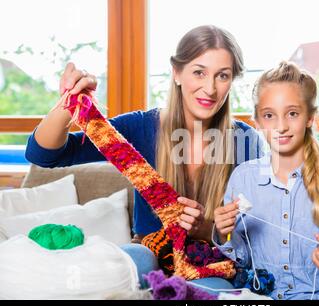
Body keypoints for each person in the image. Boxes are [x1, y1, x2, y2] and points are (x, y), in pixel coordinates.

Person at [25, 25, 263, 292]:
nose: (209, 88)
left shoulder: (246, 142)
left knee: (212, 293)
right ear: (177, 73)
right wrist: (70, 102)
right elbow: (43, 155)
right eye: (199, 72)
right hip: (148, 253)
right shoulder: (141, 127)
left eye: (222, 76)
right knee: (130, 262)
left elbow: (257, 235)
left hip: (208, 263)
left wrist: (207, 229)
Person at [213, 61, 319, 300]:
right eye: (269, 116)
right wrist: (222, 234)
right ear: (257, 122)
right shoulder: (243, 177)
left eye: (292, 113)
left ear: (310, 117)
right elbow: (239, 260)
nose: (281, 126)